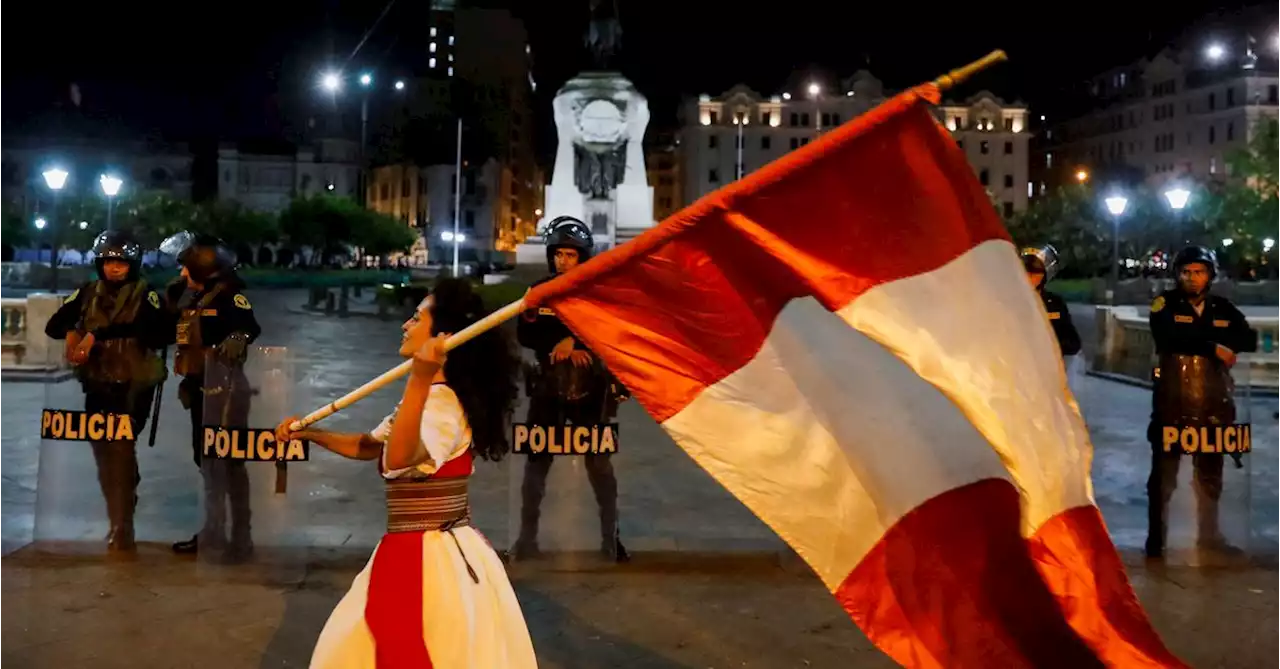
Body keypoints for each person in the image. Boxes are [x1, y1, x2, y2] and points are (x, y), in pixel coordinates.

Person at [276, 281, 537, 668]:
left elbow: (397, 460)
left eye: (417, 318)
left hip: (429, 557)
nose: (405, 324)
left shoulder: (442, 406)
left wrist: (418, 378)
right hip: (411, 547)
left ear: (442, 338)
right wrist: (310, 434)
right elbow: (370, 446)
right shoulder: (429, 399)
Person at [513, 216, 631, 562]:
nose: (564, 261)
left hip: (590, 393)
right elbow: (525, 334)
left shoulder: (596, 294)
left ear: (583, 257)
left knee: (599, 466)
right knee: (537, 463)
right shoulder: (539, 291)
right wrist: (560, 342)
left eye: (571, 255)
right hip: (547, 391)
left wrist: (575, 341)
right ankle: (526, 537)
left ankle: (612, 539)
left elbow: (610, 334)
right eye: (559, 254)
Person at [43, 230, 169, 553]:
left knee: (122, 450)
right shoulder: (86, 293)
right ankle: (117, 515)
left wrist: (98, 335)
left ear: (133, 266)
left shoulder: (146, 294)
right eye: (109, 262)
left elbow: (154, 332)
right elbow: (54, 325)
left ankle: (122, 522)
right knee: (103, 454)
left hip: (134, 385)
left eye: (121, 263)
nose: (115, 269)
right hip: (97, 383)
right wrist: (76, 333)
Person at [1145, 245, 1256, 559]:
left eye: (1200, 271)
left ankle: (1209, 534)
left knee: (1210, 473)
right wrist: (1212, 345)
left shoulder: (1222, 307)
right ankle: (1157, 537)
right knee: (1163, 477)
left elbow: (1247, 338)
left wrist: (1206, 340)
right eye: (1187, 272)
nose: (1193, 278)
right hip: (1173, 403)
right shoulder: (1164, 303)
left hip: (1213, 403)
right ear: (1177, 274)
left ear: (1210, 275)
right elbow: (1168, 337)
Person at [159, 232, 262, 562]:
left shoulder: (229, 297)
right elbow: (167, 331)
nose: (181, 275)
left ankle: (240, 537)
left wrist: (238, 336)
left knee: (229, 463)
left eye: (186, 269)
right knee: (207, 463)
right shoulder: (192, 299)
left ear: (202, 269)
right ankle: (213, 531)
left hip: (226, 391)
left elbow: (250, 325)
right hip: (199, 388)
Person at [1021, 245, 1081, 357]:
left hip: (1046, 365)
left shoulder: (1055, 303)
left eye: (1035, 271)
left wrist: (1049, 344)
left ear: (1045, 274)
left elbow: (1073, 343)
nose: (1029, 275)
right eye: (1025, 270)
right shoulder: (1007, 300)